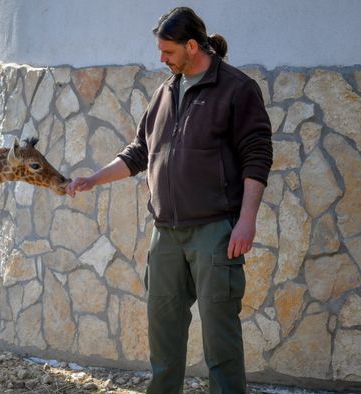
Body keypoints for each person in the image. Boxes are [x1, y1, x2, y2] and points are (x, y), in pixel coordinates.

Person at [65, 7, 273, 394]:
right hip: (166, 234)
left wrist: (247, 220)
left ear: (192, 46)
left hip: (215, 231)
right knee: (163, 337)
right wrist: (94, 179)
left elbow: (257, 156)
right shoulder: (165, 91)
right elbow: (139, 151)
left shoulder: (236, 89)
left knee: (220, 337)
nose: (161, 59)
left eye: (168, 52)